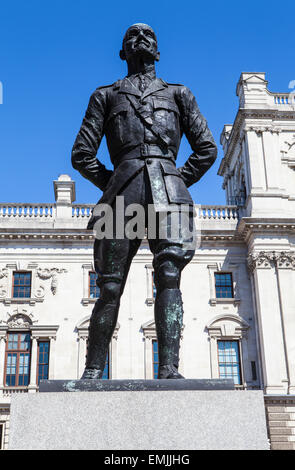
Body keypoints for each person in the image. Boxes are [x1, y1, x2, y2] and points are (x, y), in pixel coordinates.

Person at [72, 23, 217, 379]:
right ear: (123, 52)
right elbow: (81, 154)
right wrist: (114, 183)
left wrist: (177, 179)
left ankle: (168, 368)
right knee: (109, 284)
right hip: (122, 194)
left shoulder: (180, 94)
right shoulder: (104, 96)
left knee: (169, 276)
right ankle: (92, 370)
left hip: (170, 195)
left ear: (157, 50)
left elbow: (207, 148)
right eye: (131, 38)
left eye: (148, 37)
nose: (140, 39)